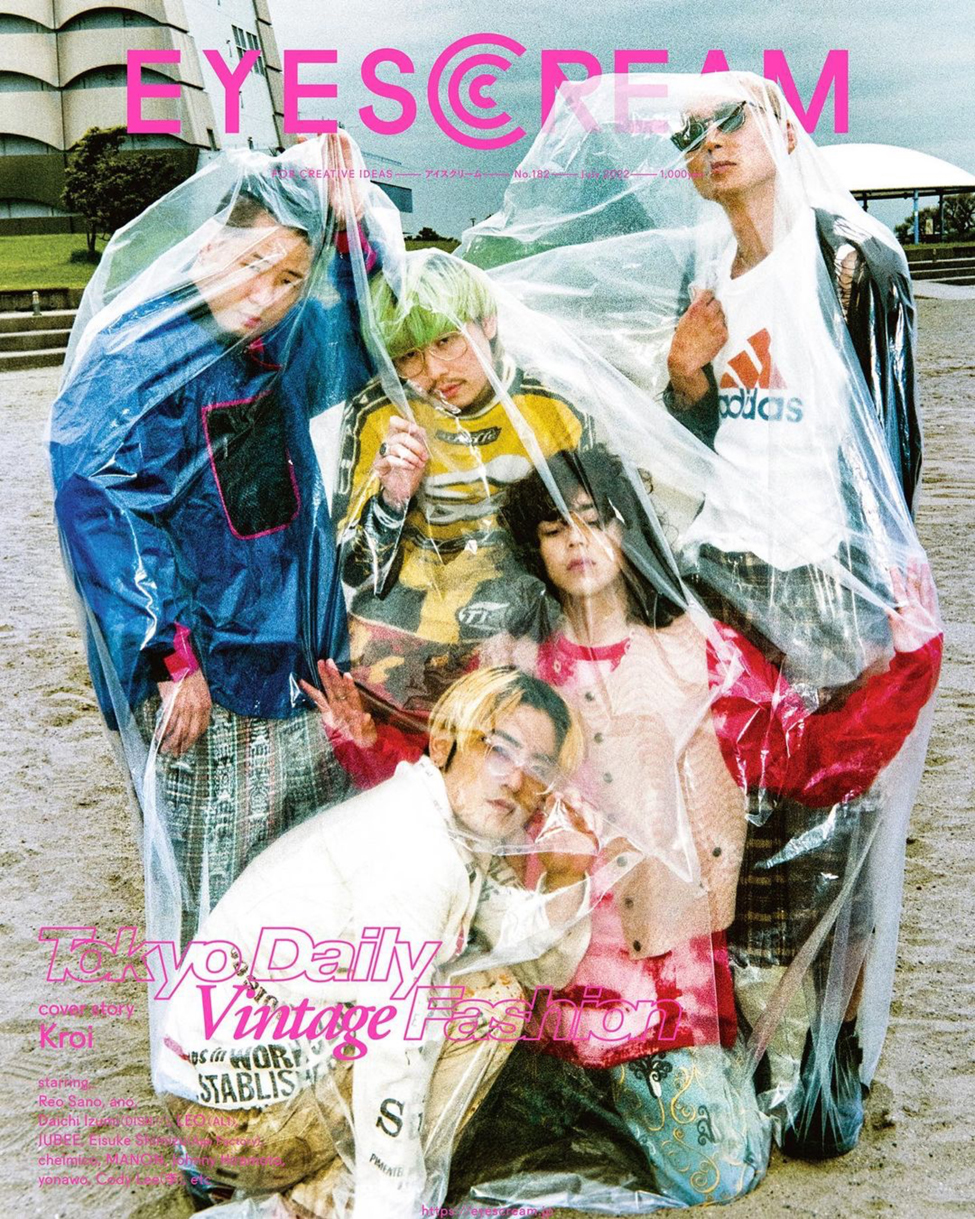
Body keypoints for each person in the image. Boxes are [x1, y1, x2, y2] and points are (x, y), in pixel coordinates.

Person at [469, 446, 941, 1199]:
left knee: (720, 1171)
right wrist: (360, 737)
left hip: (666, 984)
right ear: (535, 552)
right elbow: (458, 789)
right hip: (552, 976)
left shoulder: (697, 655)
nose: (577, 543)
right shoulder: (523, 671)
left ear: (626, 532)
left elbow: (810, 760)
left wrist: (911, 663)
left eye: (593, 521)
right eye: (554, 529)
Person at [662, 76, 926, 1156]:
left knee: (841, 828)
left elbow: (894, 438)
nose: (711, 142)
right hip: (730, 576)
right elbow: (697, 433)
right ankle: (754, 1047)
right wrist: (682, 375)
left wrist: (882, 587)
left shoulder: (855, 261)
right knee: (737, 826)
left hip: (829, 579)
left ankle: (834, 1055)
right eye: (690, 133)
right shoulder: (702, 270)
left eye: (732, 119)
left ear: (782, 126)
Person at [49, 136, 382, 941]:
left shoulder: (276, 348)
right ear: (208, 246)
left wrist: (350, 232)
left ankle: (291, 1008)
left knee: (300, 864)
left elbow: (359, 340)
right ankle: (208, 1014)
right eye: (251, 263)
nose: (264, 294)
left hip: (291, 657)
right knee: (214, 877)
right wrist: (169, 657)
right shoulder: (137, 357)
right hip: (197, 674)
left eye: (289, 279)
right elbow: (101, 507)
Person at [156, 667, 594, 1218]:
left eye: (539, 770)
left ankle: (322, 1198)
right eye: (500, 750)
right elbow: (392, 1047)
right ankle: (320, 1205)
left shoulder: (446, 823)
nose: (515, 781)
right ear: (445, 742)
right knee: (488, 1007)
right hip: (234, 1122)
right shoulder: (418, 851)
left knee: (486, 991)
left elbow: (527, 954)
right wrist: (393, 1204)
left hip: (228, 1093)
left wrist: (565, 877)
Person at [333, 249, 594, 713]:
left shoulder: (552, 406)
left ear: (488, 322)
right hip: (406, 639)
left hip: (528, 632)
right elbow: (350, 574)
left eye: (447, 340)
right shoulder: (377, 413)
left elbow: (598, 546)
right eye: (409, 356)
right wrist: (392, 499)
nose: (435, 371)